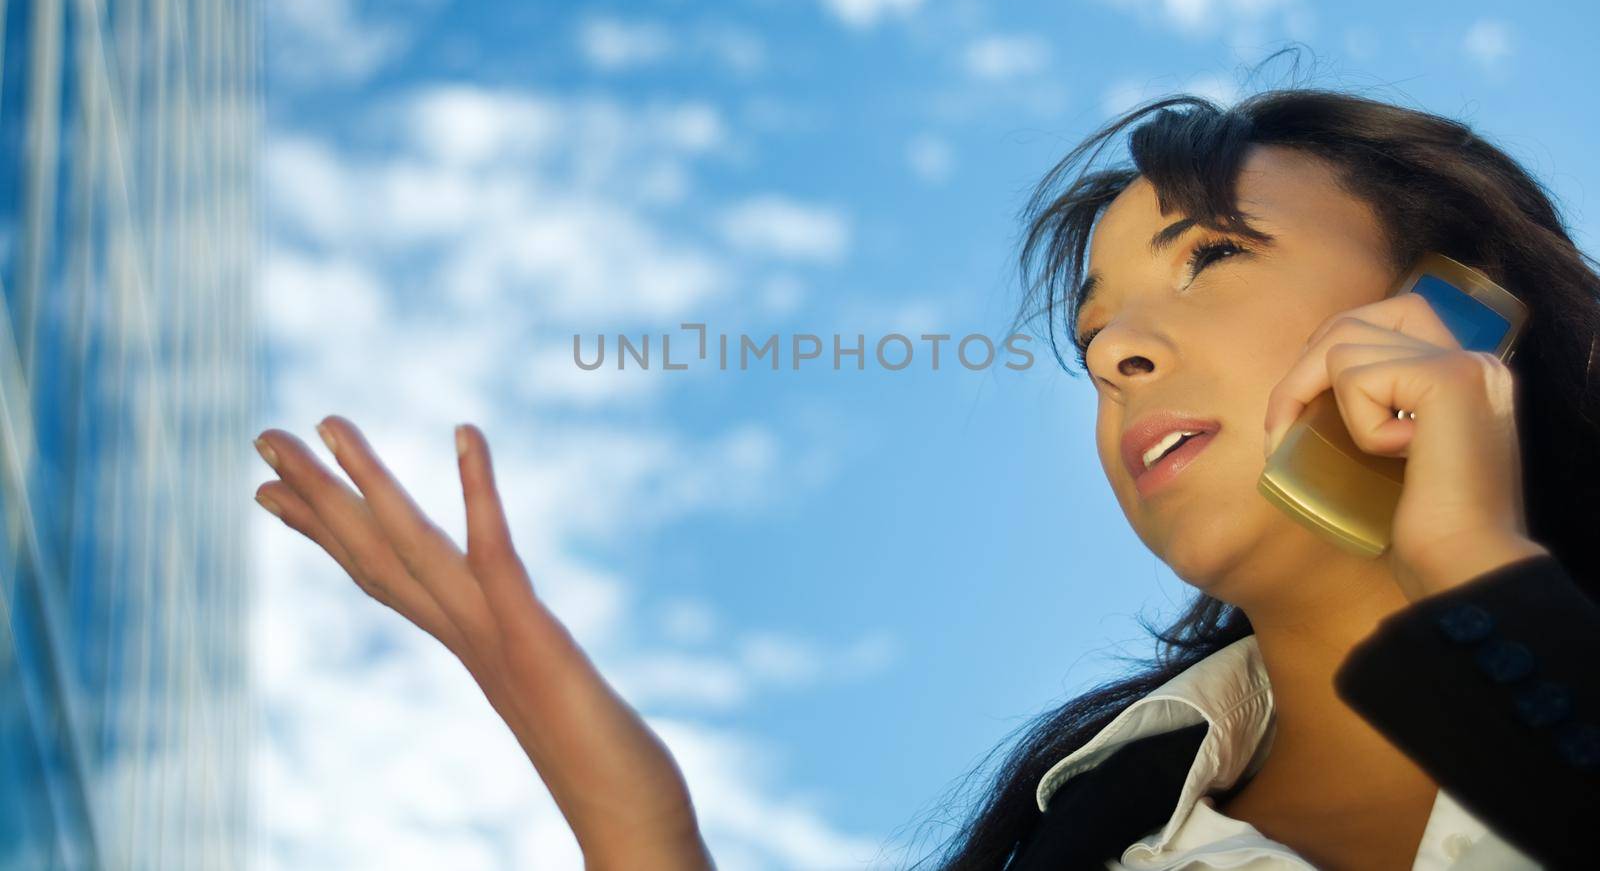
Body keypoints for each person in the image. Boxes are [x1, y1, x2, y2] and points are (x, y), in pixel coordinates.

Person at [250, 86, 1600, 870]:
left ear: (1457, 308)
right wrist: (625, 804)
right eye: (1092, 336)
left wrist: (1472, 571)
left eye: (1210, 259)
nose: (1120, 349)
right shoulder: (1096, 828)